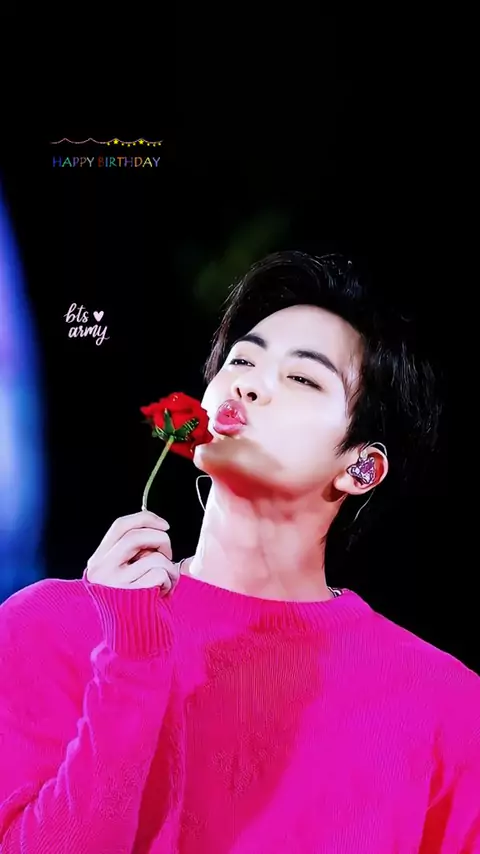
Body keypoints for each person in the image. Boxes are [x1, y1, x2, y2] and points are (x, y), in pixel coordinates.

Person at [0, 251, 476, 853]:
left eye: (302, 378)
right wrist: (130, 660)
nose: (246, 383)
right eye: (242, 360)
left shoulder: (443, 703)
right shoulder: (50, 626)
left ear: (361, 467)